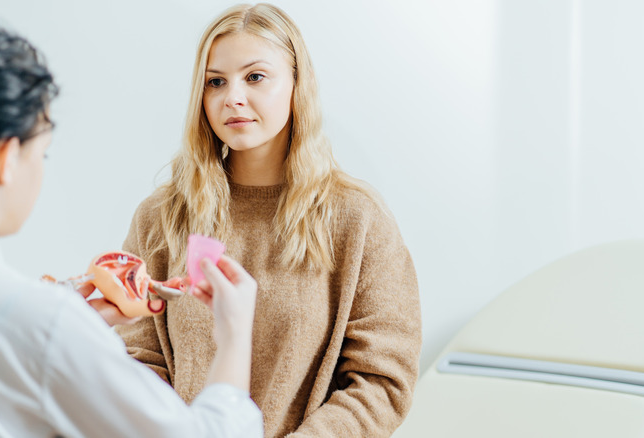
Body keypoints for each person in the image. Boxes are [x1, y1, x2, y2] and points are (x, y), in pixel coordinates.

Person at [0, 27, 262, 438]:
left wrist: (67, 334)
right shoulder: (41, 325)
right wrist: (235, 336)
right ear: (6, 159)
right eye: (42, 153)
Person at [116, 3, 422, 437]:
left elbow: (382, 382)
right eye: (215, 82)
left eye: (255, 77)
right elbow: (137, 362)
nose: (232, 97)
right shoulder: (160, 218)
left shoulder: (358, 219)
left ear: (298, 84)